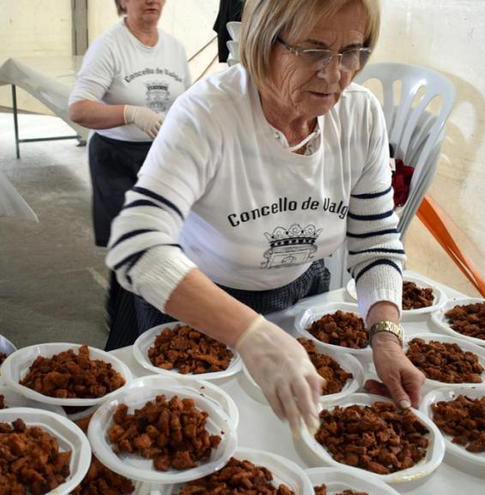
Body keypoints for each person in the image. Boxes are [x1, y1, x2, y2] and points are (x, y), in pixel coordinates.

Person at [106, 0, 425, 434]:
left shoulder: (360, 114)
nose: (335, 75)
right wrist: (252, 335)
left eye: (352, 51)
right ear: (262, 42)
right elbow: (136, 246)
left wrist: (385, 336)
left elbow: (375, 241)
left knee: (267, 434)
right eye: (313, 50)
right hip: (192, 308)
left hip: (291, 298)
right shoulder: (207, 114)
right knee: (183, 435)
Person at [68, 0, 192, 350]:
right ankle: (122, 320)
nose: (151, 1)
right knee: (131, 240)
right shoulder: (110, 46)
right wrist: (130, 113)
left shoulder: (174, 48)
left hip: (160, 153)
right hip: (117, 156)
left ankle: (154, 309)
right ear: (123, 1)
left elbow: (187, 101)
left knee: (166, 234)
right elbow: (79, 108)